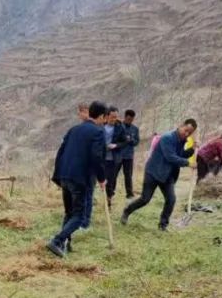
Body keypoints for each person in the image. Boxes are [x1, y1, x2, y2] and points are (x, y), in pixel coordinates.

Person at [47, 101, 108, 256]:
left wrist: (58, 175)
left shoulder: (74, 129)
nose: (104, 121)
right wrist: (102, 178)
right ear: (101, 116)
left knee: (69, 212)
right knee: (79, 216)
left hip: (65, 175)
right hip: (79, 178)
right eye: (104, 118)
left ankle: (66, 244)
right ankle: (57, 241)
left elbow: (61, 151)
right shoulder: (98, 132)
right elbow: (97, 157)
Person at [121, 119, 198, 231]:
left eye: (189, 133)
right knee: (145, 199)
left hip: (168, 176)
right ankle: (127, 211)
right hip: (154, 172)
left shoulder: (182, 140)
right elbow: (170, 157)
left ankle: (163, 225)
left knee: (171, 199)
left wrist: (191, 150)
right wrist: (188, 163)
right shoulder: (167, 138)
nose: (186, 134)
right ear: (181, 125)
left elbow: (180, 154)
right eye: (186, 130)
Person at [114, 109, 140, 199]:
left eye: (132, 119)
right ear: (125, 117)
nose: (130, 121)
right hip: (118, 154)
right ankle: (111, 192)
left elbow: (137, 142)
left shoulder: (135, 129)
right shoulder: (118, 126)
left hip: (129, 156)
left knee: (128, 175)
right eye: (128, 119)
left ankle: (129, 194)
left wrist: (131, 140)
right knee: (114, 174)